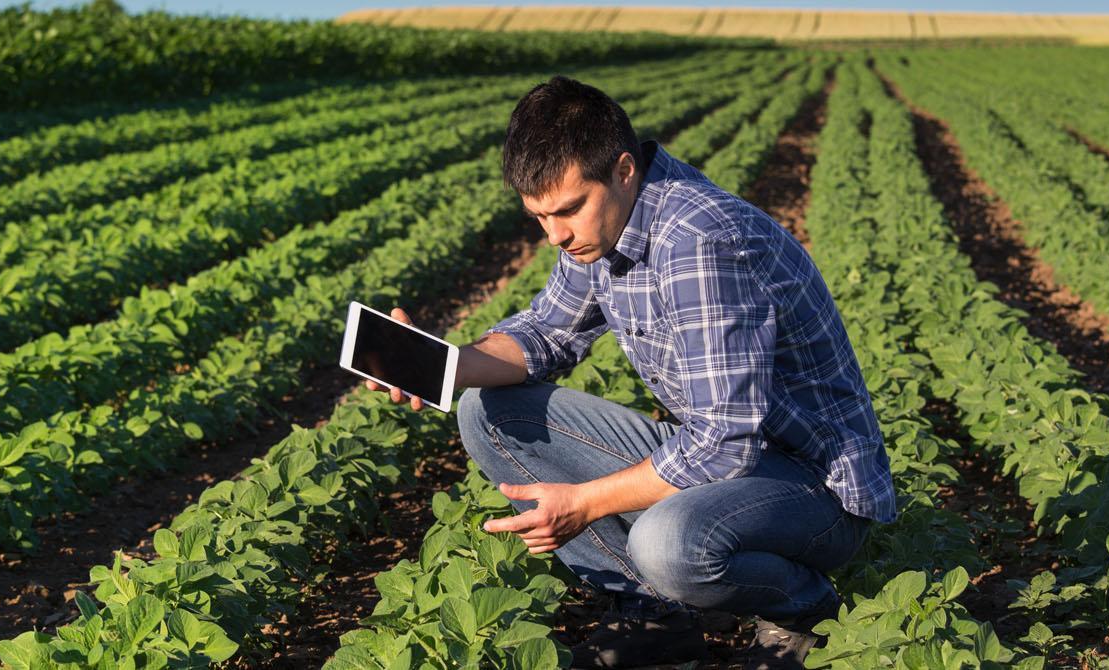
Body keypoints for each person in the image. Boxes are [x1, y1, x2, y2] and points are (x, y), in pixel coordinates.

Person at [365, 75, 896, 669]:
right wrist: (443, 363)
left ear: (622, 170)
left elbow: (724, 448)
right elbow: (548, 333)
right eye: (539, 216)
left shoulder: (698, 241)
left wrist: (584, 503)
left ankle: (803, 610)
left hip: (813, 489)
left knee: (667, 542)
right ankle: (657, 616)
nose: (556, 235)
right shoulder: (603, 227)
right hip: (729, 459)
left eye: (568, 209)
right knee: (489, 413)